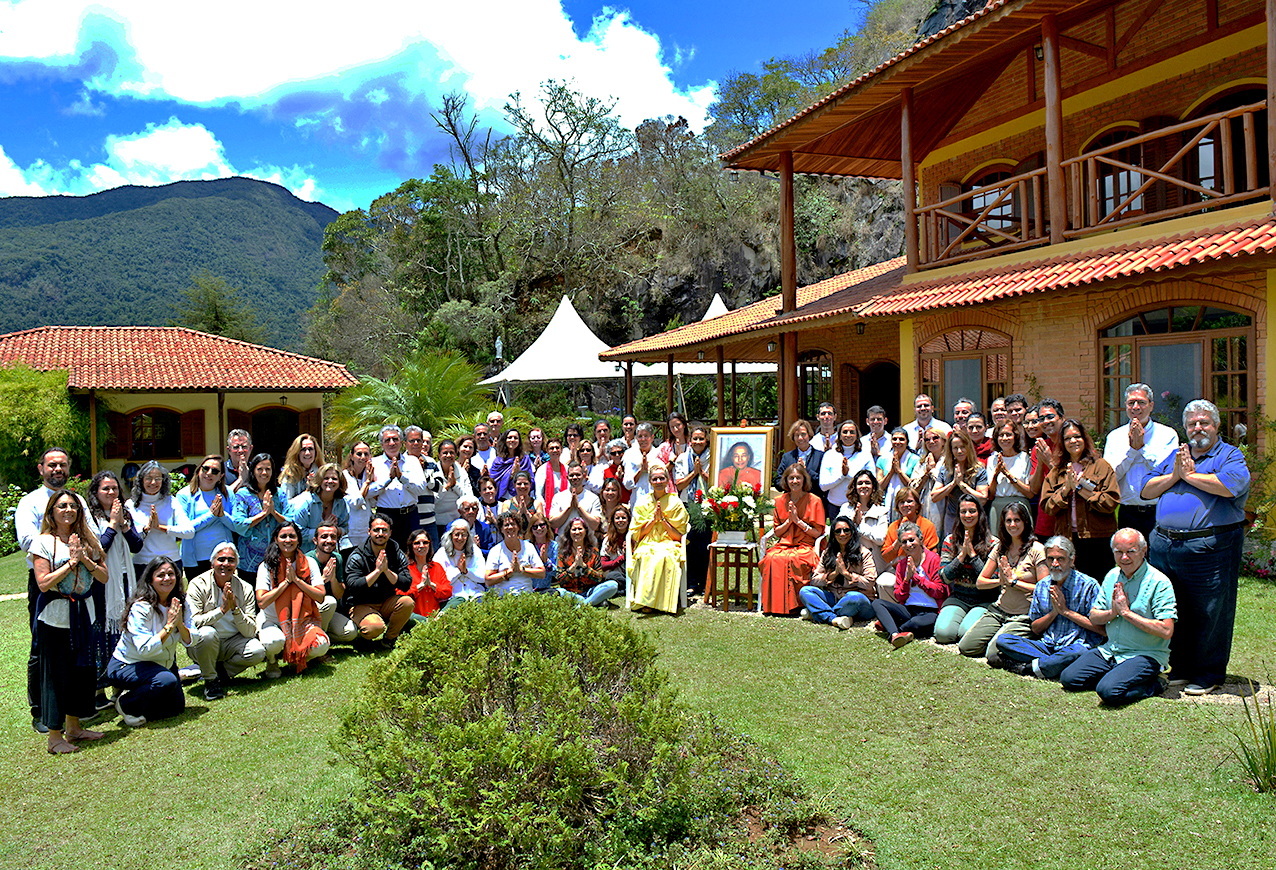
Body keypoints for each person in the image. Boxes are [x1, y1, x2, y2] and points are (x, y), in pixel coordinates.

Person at [1137, 398, 1249, 695]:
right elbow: (1146, 489)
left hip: (1210, 547)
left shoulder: (1229, 455)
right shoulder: (1177, 455)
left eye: (1204, 422)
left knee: (1210, 610)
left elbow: (1230, 486)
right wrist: (1175, 474)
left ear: (1216, 426)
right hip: (1166, 545)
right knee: (1174, 607)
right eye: (1192, 424)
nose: (1197, 428)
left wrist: (1189, 477)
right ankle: (1182, 667)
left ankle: (1207, 673)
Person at [1060, 529, 1176, 705]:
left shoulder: (1159, 582)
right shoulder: (1111, 576)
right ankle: (1117, 675)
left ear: (1144, 551)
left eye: (1131, 551)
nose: (1124, 558)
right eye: (1118, 552)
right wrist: (1113, 612)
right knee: (1069, 679)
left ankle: (1156, 684)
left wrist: (1127, 613)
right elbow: (1094, 617)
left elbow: (1166, 630)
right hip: (1111, 651)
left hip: (1145, 654)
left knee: (1109, 692)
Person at [32, 491, 108, 752]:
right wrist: (70, 564)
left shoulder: (89, 539)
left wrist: (85, 559)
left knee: (82, 671)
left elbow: (103, 577)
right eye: (62, 506)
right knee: (56, 674)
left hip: (83, 615)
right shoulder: (42, 542)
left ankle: (74, 728)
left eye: (73, 506)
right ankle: (55, 737)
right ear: (52, 511)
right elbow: (43, 584)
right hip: (55, 618)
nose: (68, 510)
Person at [994, 535, 1103, 678]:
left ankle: (1028, 668)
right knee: (1004, 640)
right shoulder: (1042, 586)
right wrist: (1054, 612)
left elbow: (1101, 630)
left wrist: (1066, 612)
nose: (1055, 564)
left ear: (1072, 560)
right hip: (1046, 646)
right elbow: (1035, 628)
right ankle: (1054, 664)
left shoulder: (1089, 586)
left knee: (1078, 653)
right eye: (1050, 559)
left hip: (1075, 646)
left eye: (1060, 559)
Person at [958, 501, 1048, 660]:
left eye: (1017, 520)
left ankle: (1023, 640)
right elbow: (981, 582)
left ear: (1025, 522)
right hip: (999, 611)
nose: (1012, 524)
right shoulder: (1000, 548)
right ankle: (1005, 639)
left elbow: (1045, 588)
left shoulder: (1037, 550)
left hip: (1023, 615)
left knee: (992, 653)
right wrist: (1001, 581)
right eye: (1008, 521)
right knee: (967, 647)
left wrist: (1014, 582)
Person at [107, 556, 189, 730]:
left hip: (162, 665)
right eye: (161, 575)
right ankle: (126, 703)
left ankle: (141, 699)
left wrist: (179, 624)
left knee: (176, 708)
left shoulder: (179, 602)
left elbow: (191, 640)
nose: (167, 579)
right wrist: (168, 626)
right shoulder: (140, 608)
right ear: (150, 579)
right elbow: (145, 650)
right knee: (165, 680)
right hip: (128, 664)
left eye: (171, 574)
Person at [85, 470, 143, 705]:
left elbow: (137, 546)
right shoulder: (90, 517)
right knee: (101, 632)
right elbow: (99, 550)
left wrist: (124, 526)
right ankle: (98, 691)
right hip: (102, 582)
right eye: (105, 489)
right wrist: (111, 524)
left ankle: (119, 685)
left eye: (114, 488)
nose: (111, 492)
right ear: (95, 493)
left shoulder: (125, 514)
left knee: (122, 631)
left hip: (126, 579)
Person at [184, 542, 267, 701]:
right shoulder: (197, 584)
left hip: (232, 642)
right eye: (221, 559)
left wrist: (235, 609)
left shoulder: (245, 588)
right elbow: (193, 623)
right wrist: (222, 610)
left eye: (231, 560)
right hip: (203, 644)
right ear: (212, 563)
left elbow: (250, 631)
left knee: (257, 651)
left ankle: (218, 674)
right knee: (208, 633)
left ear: (236, 564)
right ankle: (210, 682)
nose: (225, 564)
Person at [1042, 418, 1119, 582]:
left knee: (1098, 584)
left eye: (1077, 436)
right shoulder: (1057, 471)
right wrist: (1066, 489)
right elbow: (1048, 506)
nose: (1073, 441)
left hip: (1098, 538)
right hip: (1068, 538)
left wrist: (1079, 489)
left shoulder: (1101, 466)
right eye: (1067, 438)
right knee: (1071, 584)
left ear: (1084, 438)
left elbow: (1111, 502)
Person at [1102, 383, 1179, 539]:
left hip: (1159, 510)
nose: (1136, 407)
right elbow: (1110, 477)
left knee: (1158, 560)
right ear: (1126, 406)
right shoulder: (1115, 437)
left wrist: (1142, 448)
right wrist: (1132, 452)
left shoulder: (1167, 434)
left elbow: (1169, 473)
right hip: (1127, 512)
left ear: (1151, 405)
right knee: (1129, 558)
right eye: (1131, 403)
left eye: (1141, 402)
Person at [255, 523, 331, 674]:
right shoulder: (266, 566)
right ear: (276, 540)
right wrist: (285, 583)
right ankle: (272, 661)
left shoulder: (309, 563)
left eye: (292, 536)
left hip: (303, 620)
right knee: (274, 642)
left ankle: (298, 658)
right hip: (272, 620)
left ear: (298, 540)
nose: (288, 540)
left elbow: (321, 596)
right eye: (283, 536)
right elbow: (262, 601)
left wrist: (297, 580)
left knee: (322, 644)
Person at [870, 521, 949, 648]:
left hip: (930, 610)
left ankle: (893, 627)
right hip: (909, 608)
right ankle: (895, 634)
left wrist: (916, 578)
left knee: (917, 623)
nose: (908, 545)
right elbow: (899, 596)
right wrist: (907, 580)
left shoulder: (934, 559)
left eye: (912, 540)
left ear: (921, 539)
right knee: (877, 603)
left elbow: (940, 591)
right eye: (904, 542)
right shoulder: (902, 565)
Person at [761, 463, 826, 615]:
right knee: (772, 558)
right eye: (791, 478)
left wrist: (799, 522)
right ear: (786, 480)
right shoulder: (779, 500)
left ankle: (797, 605)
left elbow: (818, 533)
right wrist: (789, 521)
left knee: (796, 559)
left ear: (804, 480)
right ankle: (774, 607)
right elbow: (777, 532)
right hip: (784, 544)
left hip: (807, 544)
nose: (795, 481)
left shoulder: (814, 500)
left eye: (798, 478)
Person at [342, 514, 413, 648]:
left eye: (384, 530)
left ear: (390, 532)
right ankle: (362, 638)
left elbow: (406, 584)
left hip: (386, 602)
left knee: (407, 602)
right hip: (361, 604)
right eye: (376, 530)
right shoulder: (357, 556)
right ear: (369, 531)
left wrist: (386, 571)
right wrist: (377, 571)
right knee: (374, 627)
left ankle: (389, 639)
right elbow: (353, 586)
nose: (380, 534)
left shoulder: (396, 553)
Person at [933, 496, 997, 645]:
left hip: (984, 600)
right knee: (943, 635)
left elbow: (992, 580)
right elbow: (944, 577)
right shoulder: (950, 540)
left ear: (980, 514)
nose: (967, 515)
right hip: (959, 598)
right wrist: (961, 556)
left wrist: (973, 556)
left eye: (972, 511)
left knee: (965, 633)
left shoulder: (994, 544)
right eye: (963, 511)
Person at [628, 464, 688, 613]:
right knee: (645, 555)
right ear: (650, 481)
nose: (659, 481)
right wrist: (653, 520)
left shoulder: (676, 503)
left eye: (662, 478)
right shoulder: (642, 502)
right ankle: (646, 602)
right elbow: (637, 535)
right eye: (655, 479)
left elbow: (678, 536)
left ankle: (662, 603)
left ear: (668, 480)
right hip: (647, 542)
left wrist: (663, 521)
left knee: (665, 556)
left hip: (669, 542)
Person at [799, 516, 876, 630]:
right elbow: (815, 580)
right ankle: (834, 618)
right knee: (805, 591)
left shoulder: (864, 553)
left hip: (858, 600)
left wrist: (846, 574)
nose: (842, 534)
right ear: (833, 534)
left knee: (854, 597)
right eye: (838, 531)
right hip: (835, 597)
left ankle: (819, 613)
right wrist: (834, 573)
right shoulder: (828, 553)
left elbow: (869, 582)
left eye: (846, 530)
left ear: (852, 532)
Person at [367, 425, 428, 548]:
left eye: (395, 439)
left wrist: (401, 478)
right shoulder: (374, 463)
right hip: (386, 516)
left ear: (401, 442)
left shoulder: (413, 461)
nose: (391, 443)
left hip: (410, 515)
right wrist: (388, 480)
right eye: (387, 440)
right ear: (381, 444)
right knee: (388, 553)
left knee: (413, 552)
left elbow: (421, 489)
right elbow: (367, 492)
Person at [128, 461, 194, 575]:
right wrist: (146, 529)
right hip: (142, 564)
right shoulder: (130, 505)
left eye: (158, 478)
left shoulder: (171, 502)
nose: (153, 482)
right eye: (149, 478)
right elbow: (128, 537)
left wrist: (161, 527)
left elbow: (189, 532)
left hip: (170, 562)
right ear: (141, 480)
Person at [230, 453, 287, 582]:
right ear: (253, 471)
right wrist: (263, 514)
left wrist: (273, 512)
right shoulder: (243, 494)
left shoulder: (279, 494)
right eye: (260, 469)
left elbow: (291, 522)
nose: (264, 473)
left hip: (276, 555)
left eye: (268, 469)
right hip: (249, 560)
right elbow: (239, 524)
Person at [176, 455, 235, 580]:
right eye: (205, 469)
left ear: (221, 476)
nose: (209, 473)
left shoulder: (228, 493)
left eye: (215, 471)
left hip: (223, 557)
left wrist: (222, 515)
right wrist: (211, 515)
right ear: (198, 471)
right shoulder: (184, 495)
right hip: (195, 559)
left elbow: (235, 525)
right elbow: (185, 529)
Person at [674, 424, 713, 596]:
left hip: (707, 504)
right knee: (689, 543)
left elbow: (716, 482)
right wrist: (694, 472)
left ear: (707, 440)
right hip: (688, 503)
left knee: (704, 545)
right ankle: (690, 583)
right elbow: (680, 484)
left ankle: (705, 583)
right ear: (690, 441)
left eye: (701, 438)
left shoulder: (714, 456)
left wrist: (703, 473)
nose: (698, 441)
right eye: (695, 438)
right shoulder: (682, 458)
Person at [929, 429, 989, 540]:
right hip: (952, 518)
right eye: (955, 448)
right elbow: (934, 496)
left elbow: (983, 498)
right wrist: (953, 484)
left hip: (974, 518)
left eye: (962, 447)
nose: (959, 451)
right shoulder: (946, 469)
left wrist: (962, 485)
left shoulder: (978, 469)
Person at [550, 518, 619, 606]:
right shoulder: (563, 553)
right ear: (569, 532)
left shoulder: (593, 552)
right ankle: (593, 602)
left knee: (613, 585)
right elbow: (560, 580)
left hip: (590, 591)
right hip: (571, 593)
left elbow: (599, 577)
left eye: (580, 529)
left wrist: (584, 567)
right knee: (559, 592)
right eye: (574, 529)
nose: (577, 532)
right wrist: (574, 566)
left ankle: (582, 605)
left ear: (585, 531)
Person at [309, 522, 358, 645]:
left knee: (350, 632)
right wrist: (322, 579)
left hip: (329, 611)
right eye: (324, 536)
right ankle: (318, 644)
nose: (329, 540)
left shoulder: (337, 558)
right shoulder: (307, 560)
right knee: (329, 601)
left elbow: (339, 594)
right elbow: (303, 595)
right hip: (309, 610)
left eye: (333, 537)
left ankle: (320, 638)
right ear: (315, 540)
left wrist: (333, 579)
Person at [840, 469, 891, 577]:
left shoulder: (881, 511)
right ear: (855, 487)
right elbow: (836, 533)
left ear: (873, 487)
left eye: (867, 483)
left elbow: (881, 539)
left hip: (873, 564)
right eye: (860, 483)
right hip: (849, 561)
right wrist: (852, 524)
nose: (864, 486)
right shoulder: (846, 509)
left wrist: (858, 527)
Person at [287, 462, 350, 550]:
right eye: (326, 478)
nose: (330, 481)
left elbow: (345, 527)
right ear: (320, 480)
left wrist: (337, 530)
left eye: (334, 478)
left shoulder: (341, 503)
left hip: (329, 553)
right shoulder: (305, 502)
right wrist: (323, 530)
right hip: (305, 554)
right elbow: (296, 532)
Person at [985, 420, 1033, 536]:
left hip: (1020, 505)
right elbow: (990, 494)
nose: (1005, 438)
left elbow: (1029, 493)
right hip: (998, 506)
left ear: (1015, 437)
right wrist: (996, 474)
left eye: (1008, 434)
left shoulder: (1024, 458)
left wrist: (1009, 475)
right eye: (1001, 435)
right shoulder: (992, 459)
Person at [484, 511, 546, 595]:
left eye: (513, 524)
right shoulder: (495, 551)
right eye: (506, 525)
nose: (510, 527)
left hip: (526, 595)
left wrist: (521, 570)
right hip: (504, 597)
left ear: (518, 527)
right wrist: (509, 572)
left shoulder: (528, 547)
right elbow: (488, 580)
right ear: (501, 529)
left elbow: (542, 573)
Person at [405, 425, 444, 548]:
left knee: (432, 555)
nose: (416, 443)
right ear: (405, 443)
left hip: (429, 520)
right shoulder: (401, 463)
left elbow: (439, 487)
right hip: (408, 520)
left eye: (419, 440)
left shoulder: (431, 462)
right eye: (412, 441)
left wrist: (425, 474)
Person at [402, 528, 453, 618]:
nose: (421, 546)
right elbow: (400, 596)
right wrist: (419, 586)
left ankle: (437, 619)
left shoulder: (437, 567)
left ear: (429, 545)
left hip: (435, 614)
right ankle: (430, 623)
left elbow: (448, 592)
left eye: (425, 542)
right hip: (414, 617)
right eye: (417, 543)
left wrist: (432, 585)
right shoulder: (405, 569)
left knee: (459, 599)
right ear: (411, 546)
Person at [436, 519, 487, 602]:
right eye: (457, 534)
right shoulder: (441, 553)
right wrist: (458, 570)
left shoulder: (475, 550)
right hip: (452, 596)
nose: (460, 538)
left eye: (463, 535)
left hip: (475, 593)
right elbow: (440, 581)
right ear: (451, 535)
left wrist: (466, 571)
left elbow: (483, 577)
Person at [548, 462, 603, 535]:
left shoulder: (593, 498)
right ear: (567, 477)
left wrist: (579, 507)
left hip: (586, 542)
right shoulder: (558, 497)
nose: (574, 477)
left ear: (583, 476)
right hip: (563, 542)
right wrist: (569, 508)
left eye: (577, 475)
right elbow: (553, 524)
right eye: (571, 475)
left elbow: (595, 525)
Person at [434, 438, 473, 539]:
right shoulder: (432, 473)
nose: (448, 455)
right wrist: (446, 487)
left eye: (451, 453)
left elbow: (468, 498)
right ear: (439, 455)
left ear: (456, 454)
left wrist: (455, 485)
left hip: (457, 521)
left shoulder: (461, 472)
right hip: (436, 521)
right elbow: (433, 500)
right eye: (445, 453)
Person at [911, 426, 948, 531]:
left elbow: (947, 482)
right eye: (927, 439)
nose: (931, 442)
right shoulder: (922, 462)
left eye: (935, 438)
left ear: (944, 441)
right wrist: (926, 473)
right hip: (924, 504)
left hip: (944, 504)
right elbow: (913, 487)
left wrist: (933, 470)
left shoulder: (950, 461)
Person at [877, 427, 919, 520]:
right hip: (886, 502)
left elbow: (915, 486)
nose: (898, 442)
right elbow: (879, 487)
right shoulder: (883, 459)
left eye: (901, 439)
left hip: (907, 504)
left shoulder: (915, 459)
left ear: (907, 442)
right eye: (895, 439)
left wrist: (899, 471)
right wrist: (891, 472)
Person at [342, 440, 376, 550]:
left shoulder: (368, 476)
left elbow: (374, 502)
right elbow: (355, 502)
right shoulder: (345, 477)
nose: (363, 457)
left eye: (366, 454)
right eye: (359, 454)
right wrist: (367, 483)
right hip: (350, 534)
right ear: (351, 456)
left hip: (366, 533)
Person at [775, 418, 825, 493]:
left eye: (803, 434)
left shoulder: (820, 456)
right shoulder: (787, 457)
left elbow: (823, 483)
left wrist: (806, 470)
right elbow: (777, 482)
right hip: (791, 500)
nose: (800, 438)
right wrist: (792, 483)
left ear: (809, 435)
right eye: (797, 435)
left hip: (813, 500)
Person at [490, 429, 535, 500]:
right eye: (510, 437)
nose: (513, 440)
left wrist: (519, 474)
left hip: (520, 498)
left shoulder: (524, 459)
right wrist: (511, 475)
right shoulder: (498, 461)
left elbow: (531, 481)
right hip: (502, 498)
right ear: (505, 440)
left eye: (515, 438)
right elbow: (493, 482)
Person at [623, 423, 661, 505]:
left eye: (646, 436)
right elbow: (627, 484)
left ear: (652, 437)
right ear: (636, 438)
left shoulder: (659, 454)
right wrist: (641, 470)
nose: (643, 439)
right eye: (640, 436)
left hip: (655, 499)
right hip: (637, 500)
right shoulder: (629, 454)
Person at [278, 433, 322, 502]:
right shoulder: (289, 474)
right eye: (303, 449)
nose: (307, 453)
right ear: (297, 452)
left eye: (310, 449)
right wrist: (307, 492)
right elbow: (287, 503)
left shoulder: (322, 472)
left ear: (316, 452)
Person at [600, 504, 631, 592]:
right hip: (618, 575)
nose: (620, 520)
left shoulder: (634, 537)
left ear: (628, 520)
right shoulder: (608, 540)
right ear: (613, 521)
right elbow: (604, 565)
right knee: (612, 576)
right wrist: (622, 558)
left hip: (633, 573)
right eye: (617, 518)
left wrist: (631, 552)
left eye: (623, 518)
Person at [592, 438, 633, 504]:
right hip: (613, 506)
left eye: (620, 452)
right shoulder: (606, 471)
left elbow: (632, 488)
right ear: (610, 455)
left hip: (629, 504)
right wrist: (617, 478)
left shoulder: (631, 469)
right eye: (613, 453)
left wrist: (623, 478)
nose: (617, 455)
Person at [534, 436, 570, 509]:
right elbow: (538, 494)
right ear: (547, 451)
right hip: (548, 509)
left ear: (561, 450)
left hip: (566, 508)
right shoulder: (542, 470)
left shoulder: (567, 469)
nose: (555, 450)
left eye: (557, 448)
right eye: (551, 448)